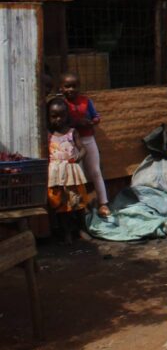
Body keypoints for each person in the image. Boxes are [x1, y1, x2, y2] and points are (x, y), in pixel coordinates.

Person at [61, 73, 110, 218]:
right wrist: (76, 123)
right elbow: (61, 122)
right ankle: (82, 206)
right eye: (67, 86)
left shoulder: (86, 101)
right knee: (78, 174)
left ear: (79, 87)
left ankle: (103, 203)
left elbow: (96, 116)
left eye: (74, 86)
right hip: (71, 143)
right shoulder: (61, 104)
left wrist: (93, 121)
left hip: (88, 139)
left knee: (95, 171)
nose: (71, 89)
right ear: (61, 88)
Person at [46, 98, 91, 242]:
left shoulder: (72, 132)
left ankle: (81, 229)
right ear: (48, 117)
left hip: (72, 173)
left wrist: (79, 156)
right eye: (54, 116)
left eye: (62, 115)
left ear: (67, 116)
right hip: (56, 175)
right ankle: (67, 232)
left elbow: (83, 149)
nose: (58, 119)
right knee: (61, 205)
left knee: (78, 202)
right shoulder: (48, 135)